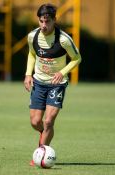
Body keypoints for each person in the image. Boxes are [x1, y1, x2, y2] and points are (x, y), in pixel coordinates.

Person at [23, 3, 82, 166]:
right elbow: (32, 53)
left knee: (48, 121)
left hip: (57, 84)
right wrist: (28, 74)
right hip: (39, 83)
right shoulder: (32, 36)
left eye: (47, 22)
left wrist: (62, 72)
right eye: (41, 21)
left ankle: (42, 153)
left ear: (54, 20)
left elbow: (77, 58)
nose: (43, 25)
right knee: (35, 122)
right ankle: (45, 133)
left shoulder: (63, 39)